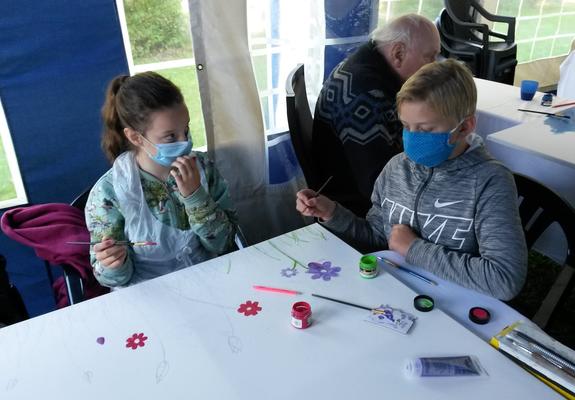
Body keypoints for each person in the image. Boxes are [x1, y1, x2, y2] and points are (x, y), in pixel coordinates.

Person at [297, 59, 527, 300]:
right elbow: (378, 238)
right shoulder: (397, 168)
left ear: (464, 127)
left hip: (455, 305)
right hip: (395, 293)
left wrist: (414, 249)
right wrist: (332, 213)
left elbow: (505, 279)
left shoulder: (490, 182)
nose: (413, 139)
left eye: (425, 129)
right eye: (406, 126)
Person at [86, 72, 238, 288]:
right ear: (135, 137)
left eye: (185, 130)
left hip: (208, 281)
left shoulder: (203, 168)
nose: (184, 142)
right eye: (170, 136)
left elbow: (224, 245)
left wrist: (196, 198)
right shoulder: (109, 193)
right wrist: (112, 262)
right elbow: (111, 279)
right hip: (149, 296)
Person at [312, 14, 441, 217]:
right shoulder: (367, 93)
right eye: (429, 56)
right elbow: (375, 184)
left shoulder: (369, 62)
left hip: (355, 184)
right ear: (398, 53)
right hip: (355, 207)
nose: (434, 65)